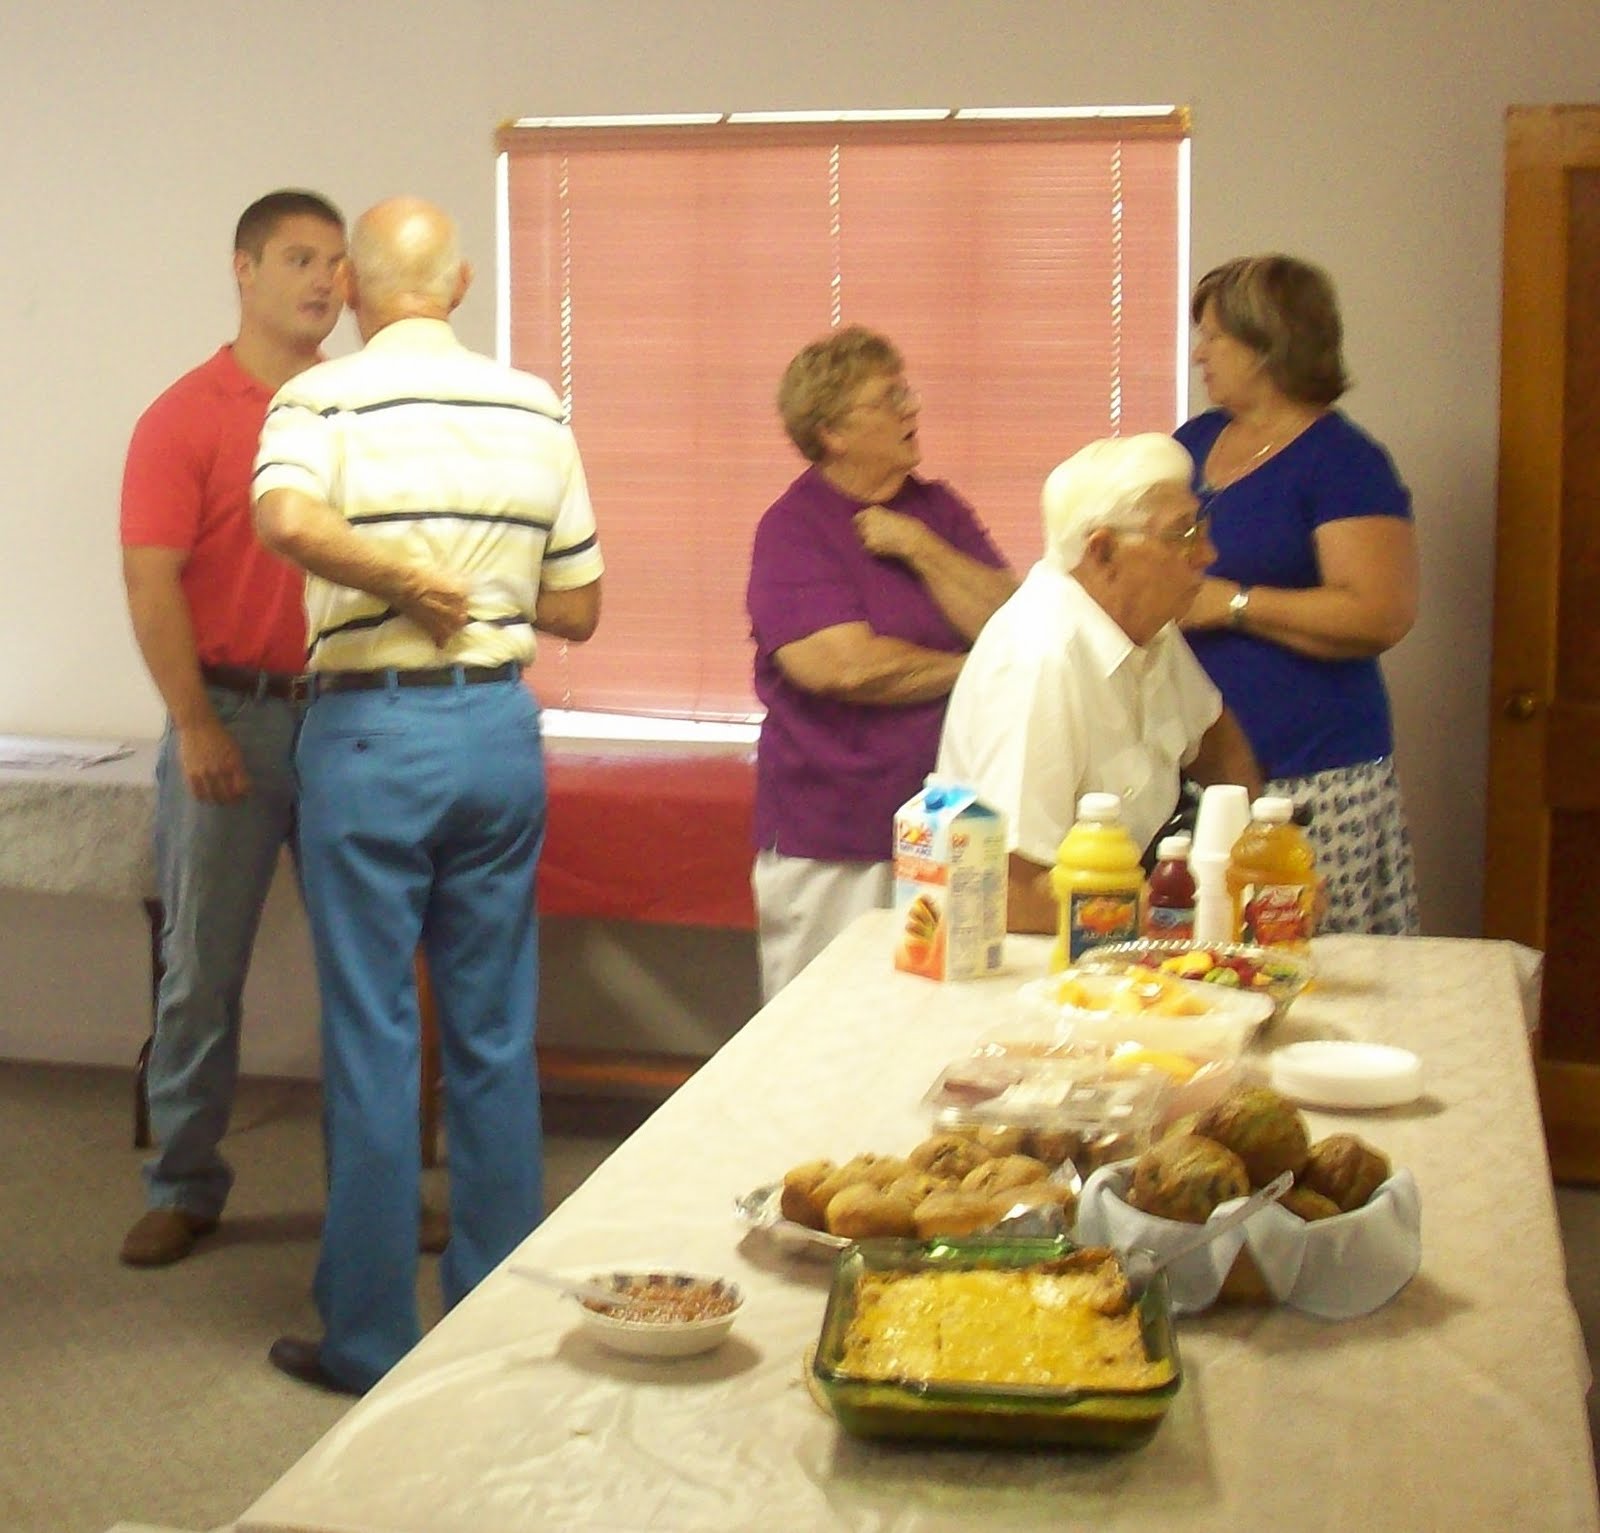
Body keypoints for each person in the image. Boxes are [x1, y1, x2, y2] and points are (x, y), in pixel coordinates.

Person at [252, 196, 603, 1396]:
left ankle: (366, 1341)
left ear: (354, 289)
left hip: (367, 736)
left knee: (372, 1038)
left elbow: (285, 516)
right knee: (495, 1034)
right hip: (497, 732)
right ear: (456, 285)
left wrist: (400, 571)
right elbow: (580, 607)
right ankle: (491, 1325)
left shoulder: (317, 399)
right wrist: (477, 585)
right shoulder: (535, 406)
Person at [118, 189, 348, 1268]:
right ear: (244, 270)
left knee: (369, 972)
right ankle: (184, 1184)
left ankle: (375, 1192)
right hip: (232, 725)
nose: (322, 282)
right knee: (201, 972)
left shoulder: (359, 408)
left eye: (337, 263)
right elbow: (151, 584)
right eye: (299, 258)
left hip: (354, 725)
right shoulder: (185, 414)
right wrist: (195, 724)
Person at [746, 325, 1016, 1000]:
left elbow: (1012, 624)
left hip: (952, 824)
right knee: (821, 1030)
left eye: (908, 391)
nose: (911, 409)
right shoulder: (793, 529)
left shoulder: (936, 510)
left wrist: (920, 546)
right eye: (890, 397)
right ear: (833, 430)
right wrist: (970, 668)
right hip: (836, 837)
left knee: (936, 1020)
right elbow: (846, 668)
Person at [1176, 254, 1420, 934]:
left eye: (1215, 336)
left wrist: (1232, 603)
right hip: (1198, 771)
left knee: (1307, 968)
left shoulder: (1343, 462)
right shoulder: (1193, 444)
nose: (1199, 353)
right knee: (1199, 965)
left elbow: (1379, 611)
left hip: (1314, 776)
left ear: (1266, 344)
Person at [936, 434, 1262, 933]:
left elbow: (1216, 742)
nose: (1207, 554)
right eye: (1182, 536)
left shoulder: (1144, 627)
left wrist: (1258, 865)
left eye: (1201, 528)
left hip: (1113, 934)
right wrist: (1191, 917)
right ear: (1103, 551)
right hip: (1032, 962)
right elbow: (1009, 895)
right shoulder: (1040, 659)